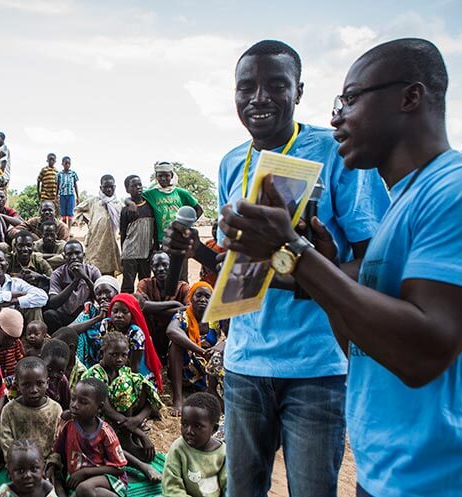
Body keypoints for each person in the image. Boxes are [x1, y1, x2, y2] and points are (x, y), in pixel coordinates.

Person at [202, 38, 462, 497]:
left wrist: (294, 251)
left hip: (456, 478)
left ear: (409, 97)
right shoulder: (403, 208)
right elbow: (362, 342)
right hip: (388, 473)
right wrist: (317, 267)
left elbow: (421, 353)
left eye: (350, 99)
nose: (336, 117)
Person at [163, 40, 392, 497]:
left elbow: (376, 263)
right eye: (246, 87)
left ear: (299, 91)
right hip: (246, 361)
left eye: (276, 85)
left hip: (318, 366)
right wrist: (201, 254)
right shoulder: (232, 162)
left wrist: (303, 269)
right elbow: (240, 266)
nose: (259, 98)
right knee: (242, 489)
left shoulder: (334, 153)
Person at [84, 332, 163, 482]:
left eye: (124, 355)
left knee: (139, 383)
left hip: (124, 422)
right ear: (102, 353)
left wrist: (137, 420)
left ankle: (127, 437)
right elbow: (105, 409)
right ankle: (141, 465)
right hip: (97, 422)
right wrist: (140, 433)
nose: (120, 359)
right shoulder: (95, 374)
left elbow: (151, 401)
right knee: (104, 442)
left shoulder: (124, 373)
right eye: (114, 354)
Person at [48, 377, 128, 497]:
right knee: (55, 482)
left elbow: (119, 468)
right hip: (76, 477)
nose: (74, 405)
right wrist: (52, 465)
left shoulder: (104, 432)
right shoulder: (68, 425)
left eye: (83, 402)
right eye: (73, 399)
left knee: (84, 489)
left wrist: (85, 472)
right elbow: (58, 451)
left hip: (106, 478)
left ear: (99, 407)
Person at [166, 281, 223, 416]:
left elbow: (232, 336)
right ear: (191, 298)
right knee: (175, 345)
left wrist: (219, 347)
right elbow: (171, 330)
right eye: (199, 295)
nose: (203, 299)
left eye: (207, 296)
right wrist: (201, 351)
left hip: (208, 366)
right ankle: (178, 397)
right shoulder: (183, 315)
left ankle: (211, 391)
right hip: (187, 367)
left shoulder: (216, 318)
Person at [163, 392, 227, 497]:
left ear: (214, 429)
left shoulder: (224, 454)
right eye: (184, 424)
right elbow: (171, 487)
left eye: (197, 426)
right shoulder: (178, 448)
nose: (189, 431)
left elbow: (230, 487)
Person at [0, 356, 62, 459]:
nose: (33, 390)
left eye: (39, 384)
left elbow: (58, 443)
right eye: (26, 385)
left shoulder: (55, 409)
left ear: (47, 383)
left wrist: (52, 464)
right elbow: (7, 445)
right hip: (19, 464)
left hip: (47, 466)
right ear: (17, 385)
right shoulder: (9, 410)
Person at [141, 162, 203, 257]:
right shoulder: (150, 194)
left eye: (167, 175)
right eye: (160, 176)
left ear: (172, 175)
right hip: (162, 240)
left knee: (180, 269)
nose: (163, 178)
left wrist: (187, 226)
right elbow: (134, 198)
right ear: (156, 176)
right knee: (163, 268)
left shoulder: (181, 193)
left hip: (180, 240)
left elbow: (199, 209)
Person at [135, 252, 189, 357]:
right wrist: (175, 304)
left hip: (173, 335)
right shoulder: (145, 284)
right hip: (151, 334)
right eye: (156, 265)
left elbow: (189, 309)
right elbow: (140, 305)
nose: (161, 269)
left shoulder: (183, 287)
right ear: (151, 267)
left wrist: (153, 309)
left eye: (165, 265)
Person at [0, 249, 48, 324]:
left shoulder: (17, 282)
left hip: (17, 321)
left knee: (34, 306)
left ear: (7, 265)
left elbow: (42, 297)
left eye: (1, 260)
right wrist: (17, 294)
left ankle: (34, 333)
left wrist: (15, 301)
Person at [44, 240, 102, 331]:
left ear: (83, 255)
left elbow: (100, 297)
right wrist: (75, 280)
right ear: (64, 257)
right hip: (65, 315)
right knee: (49, 315)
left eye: (77, 253)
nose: (74, 257)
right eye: (69, 254)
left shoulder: (93, 271)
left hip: (85, 315)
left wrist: (86, 278)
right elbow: (53, 303)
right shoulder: (57, 274)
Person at [74, 175, 122, 275]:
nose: (109, 189)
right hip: (94, 243)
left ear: (115, 187)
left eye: (111, 187)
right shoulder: (93, 201)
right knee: (93, 271)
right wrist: (88, 221)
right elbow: (77, 210)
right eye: (106, 187)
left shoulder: (118, 204)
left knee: (109, 273)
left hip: (110, 244)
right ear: (101, 188)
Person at [119, 175, 155, 293]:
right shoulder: (126, 210)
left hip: (146, 253)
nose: (138, 187)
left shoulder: (150, 206)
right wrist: (123, 254)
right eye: (134, 186)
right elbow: (123, 233)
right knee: (128, 285)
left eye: (139, 184)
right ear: (127, 190)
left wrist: (154, 249)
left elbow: (154, 229)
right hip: (130, 254)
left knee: (145, 285)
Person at [0, 307, 26, 377]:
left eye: (14, 339)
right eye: (7, 338)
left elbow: (20, 360)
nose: (11, 342)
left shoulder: (16, 343)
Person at [40, 339, 71, 411]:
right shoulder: (33, 378)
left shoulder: (62, 381)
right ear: (41, 360)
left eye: (60, 371)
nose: (54, 375)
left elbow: (66, 405)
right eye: (49, 369)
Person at [55, 157, 79, 225]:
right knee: (63, 214)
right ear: (62, 164)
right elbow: (57, 186)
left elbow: (75, 185)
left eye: (69, 163)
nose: (67, 165)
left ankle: (69, 230)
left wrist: (78, 197)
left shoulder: (73, 173)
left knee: (70, 213)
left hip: (71, 195)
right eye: (66, 163)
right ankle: (65, 229)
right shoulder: (59, 174)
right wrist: (56, 196)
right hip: (62, 195)